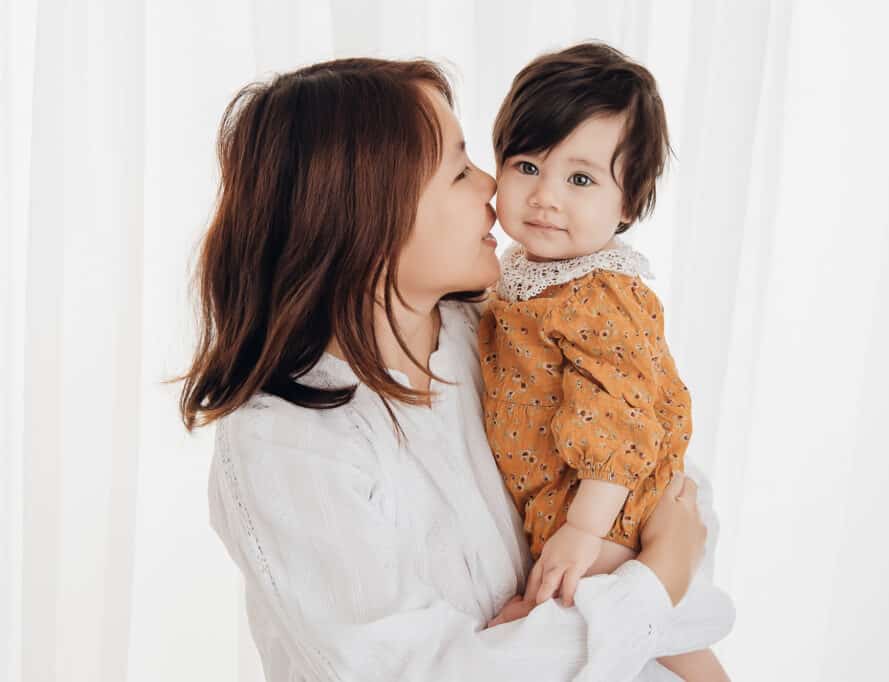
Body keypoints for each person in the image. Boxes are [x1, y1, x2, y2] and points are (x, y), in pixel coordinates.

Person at [179, 56, 732, 681]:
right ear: (368, 215)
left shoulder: (510, 327)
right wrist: (653, 582)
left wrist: (651, 568)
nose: (493, 187)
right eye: (459, 170)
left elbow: (675, 491)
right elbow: (423, 671)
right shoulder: (284, 441)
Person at [478, 43, 732, 680]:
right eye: (528, 165)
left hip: (607, 502)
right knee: (663, 640)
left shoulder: (598, 291)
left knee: (540, 619)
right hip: (567, 502)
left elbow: (618, 415)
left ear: (629, 203)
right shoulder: (522, 274)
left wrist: (585, 532)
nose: (546, 197)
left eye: (581, 179)